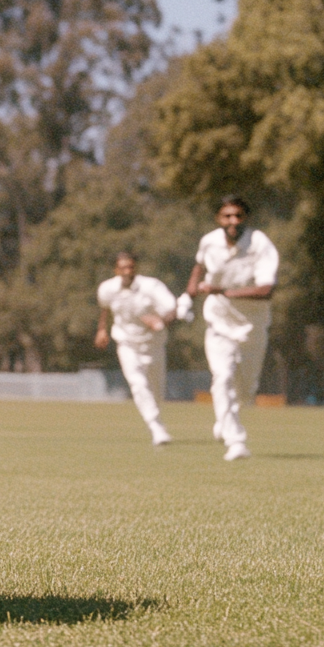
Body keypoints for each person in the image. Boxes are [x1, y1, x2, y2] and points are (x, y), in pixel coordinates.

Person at [184, 195, 279, 461]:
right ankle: (236, 441)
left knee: (246, 391)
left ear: (245, 218)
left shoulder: (260, 244)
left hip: (252, 327)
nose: (233, 221)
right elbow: (199, 265)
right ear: (219, 218)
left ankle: (224, 419)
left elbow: (266, 290)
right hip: (219, 323)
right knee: (222, 377)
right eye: (227, 216)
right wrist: (189, 293)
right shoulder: (209, 241)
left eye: (238, 215)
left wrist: (222, 290)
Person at [95, 252, 176, 447]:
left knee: (156, 391)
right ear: (115, 270)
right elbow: (105, 308)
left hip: (153, 344)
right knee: (138, 384)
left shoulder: (151, 286)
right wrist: (101, 330)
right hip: (127, 343)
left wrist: (159, 321)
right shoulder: (107, 289)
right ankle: (156, 427)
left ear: (136, 268)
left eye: (130, 267)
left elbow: (172, 308)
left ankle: (156, 419)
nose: (127, 272)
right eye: (122, 268)